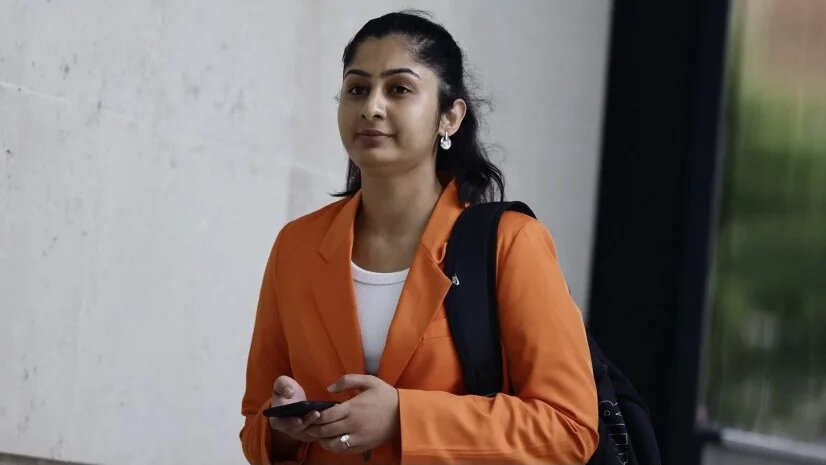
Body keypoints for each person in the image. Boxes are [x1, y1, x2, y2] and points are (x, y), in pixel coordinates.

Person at [240, 10, 598, 465]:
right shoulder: (297, 246)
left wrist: (404, 418)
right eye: (357, 88)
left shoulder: (512, 243)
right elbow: (256, 423)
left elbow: (569, 427)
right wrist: (285, 429)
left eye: (399, 89)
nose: (372, 106)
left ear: (450, 116)